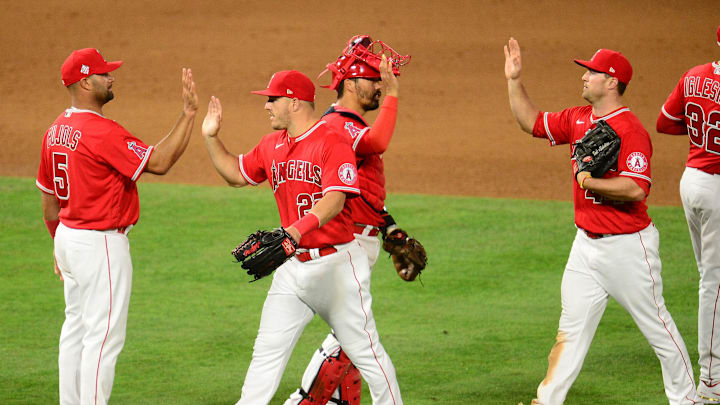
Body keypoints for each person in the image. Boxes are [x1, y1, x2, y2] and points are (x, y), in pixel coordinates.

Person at [504, 38, 697, 405]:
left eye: (592, 71)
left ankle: (686, 399)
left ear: (612, 81)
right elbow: (530, 122)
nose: (584, 76)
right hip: (585, 248)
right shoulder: (578, 118)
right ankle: (547, 401)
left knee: (658, 328)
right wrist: (514, 80)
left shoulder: (631, 130)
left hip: (628, 247)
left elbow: (638, 189)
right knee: (571, 332)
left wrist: (588, 179)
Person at [200, 69, 403, 404]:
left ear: (294, 102)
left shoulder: (332, 140)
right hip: (293, 268)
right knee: (265, 355)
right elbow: (237, 174)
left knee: (368, 354)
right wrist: (210, 137)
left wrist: (294, 231)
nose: (266, 106)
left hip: (337, 267)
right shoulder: (271, 145)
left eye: (272, 99)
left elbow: (335, 199)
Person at [36, 48, 198, 404]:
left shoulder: (55, 129)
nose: (111, 77)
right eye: (103, 74)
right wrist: (187, 116)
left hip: (68, 238)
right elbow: (159, 162)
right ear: (85, 82)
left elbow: (49, 199)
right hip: (100, 245)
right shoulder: (101, 131)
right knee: (103, 338)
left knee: (75, 330)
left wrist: (57, 244)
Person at [283, 35, 411, 405]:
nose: (378, 86)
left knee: (353, 334)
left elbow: (364, 190)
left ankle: (340, 399)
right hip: (345, 241)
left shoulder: (345, 123)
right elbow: (378, 141)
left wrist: (390, 227)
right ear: (351, 83)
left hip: (360, 237)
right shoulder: (338, 125)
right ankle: (305, 400)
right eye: (373, 80)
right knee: (350, 335)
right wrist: (394, 94)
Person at [657, 25, 720, 404]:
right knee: (714, 284)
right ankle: (711, 381)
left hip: (691, 181)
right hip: (716, 189)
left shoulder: (694, 75)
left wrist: (701, 135)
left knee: (709, 278)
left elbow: (666, 122)